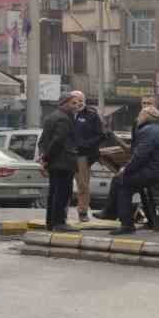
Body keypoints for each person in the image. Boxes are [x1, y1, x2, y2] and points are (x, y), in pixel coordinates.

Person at [113, 106, 159, 234]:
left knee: (121, 182)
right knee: (122, 181)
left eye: (140, 116)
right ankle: (110, 213)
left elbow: (139, 156)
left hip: (154, 173)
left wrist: (126, 170)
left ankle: (126, 225)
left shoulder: (148, 131)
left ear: (146, 116)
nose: (137, 119)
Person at [37, 92, 81, 232]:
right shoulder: (64, 119)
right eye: (73, 103)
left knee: (54, 192)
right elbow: (58, 141)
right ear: (64, 103)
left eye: (77, 103)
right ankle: (59, 222)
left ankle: (51, 223)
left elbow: (43, 141)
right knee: (63, 193)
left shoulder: (51, 117)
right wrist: (45, 158)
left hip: (55, 163)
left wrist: (44, 157)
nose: (76, 106)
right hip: (63, 162)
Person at [70, 91, 104, 222]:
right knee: (64, 185)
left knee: (83, 185)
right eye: (74, 101)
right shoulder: (67, 114)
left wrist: (85, 145)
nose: (76, 103)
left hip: (82, 155)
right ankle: (61, 211)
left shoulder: (91, 114)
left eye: (79, 100)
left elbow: (100, 135)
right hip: (66, 155)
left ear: (83, 100)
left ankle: (82, 212)